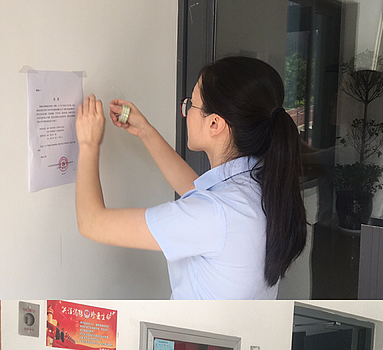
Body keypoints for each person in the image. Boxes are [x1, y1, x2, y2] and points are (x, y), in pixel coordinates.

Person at [75, 56, 307, 299]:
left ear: (215, 123)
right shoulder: (258, 184)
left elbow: (92, 223)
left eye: (191, 104)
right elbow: (196, 192)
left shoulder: (215, 214)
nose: (186, 113)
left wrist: (89, 144)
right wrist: (145, 131)